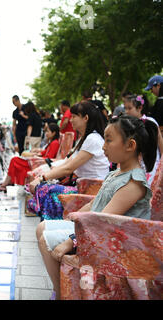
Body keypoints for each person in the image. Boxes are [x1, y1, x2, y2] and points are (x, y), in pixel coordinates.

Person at [36, 114, 157, 300]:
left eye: (109, 140)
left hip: (111, 243)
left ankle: (61, 294)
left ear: (130, 146)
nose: (103, 146)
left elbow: (102, 221)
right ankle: (61, 289)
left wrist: (71, 240)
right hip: (95, 230)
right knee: (43, 227)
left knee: (46, 239)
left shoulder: (134, 184)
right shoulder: (116, 174)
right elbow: (95, 204)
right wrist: (72, 219)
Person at [28, 101, 110, 220]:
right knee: (44, 186)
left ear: (85, 118)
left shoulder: (92, 139)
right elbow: (68, 162)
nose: (70, 120)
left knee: (45, 188)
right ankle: (50, 226)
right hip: (82, 186)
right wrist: (47, 175)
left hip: (91, 190)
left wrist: (42, 178)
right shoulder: (85, 138)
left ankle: (52, 225)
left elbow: (69, 168)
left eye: (74, 116)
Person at [0, 123, 60, 190]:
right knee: (15, 160)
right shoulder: (52, 142)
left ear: (53, 133)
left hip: (39, 163)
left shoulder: (55, 143)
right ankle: (8, 181)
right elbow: (44, 153)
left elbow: (48, 158)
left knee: (14, 160)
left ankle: (7, 182)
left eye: (48, 131)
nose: (46, 133)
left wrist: (36, 156)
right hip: (38, 161)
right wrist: (37, 153)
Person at [124, 94, 163, 184]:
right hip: (134, 168)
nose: (126, 112)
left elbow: (160, 144)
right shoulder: (127, 125)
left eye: (129, 108)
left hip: (151, 166)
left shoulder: (150, 122)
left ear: (140, 107)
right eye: (125, 108)